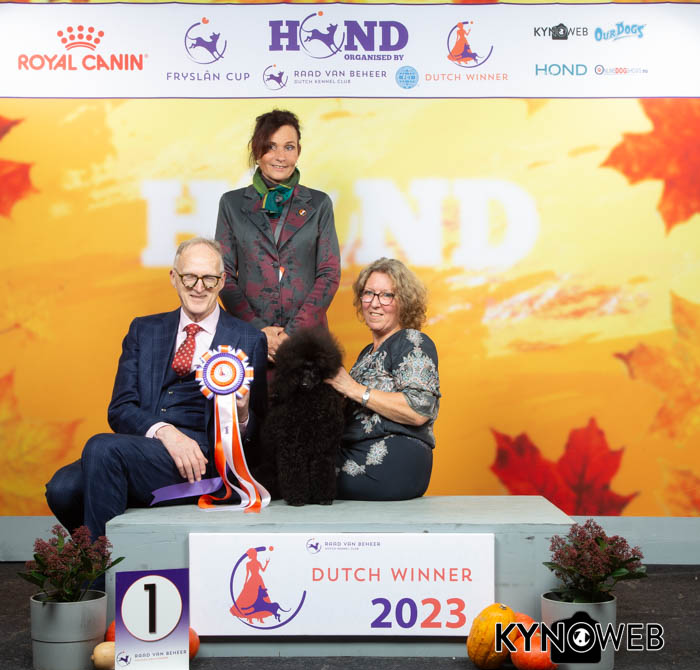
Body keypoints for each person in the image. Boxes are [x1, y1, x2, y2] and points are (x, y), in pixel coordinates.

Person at [45, 237, 268, 539]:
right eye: (189, 277)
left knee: (101, 447)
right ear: (174, 277)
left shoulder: (249, 338)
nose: (199, 287)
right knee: (62, 489)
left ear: (222, 281)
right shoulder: (143, 329)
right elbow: (120, 408)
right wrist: (165, 432)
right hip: (145, 448)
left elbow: (261, 431)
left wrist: (242, 415)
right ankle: (116, 551)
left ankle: (100, 566)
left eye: (209, 278)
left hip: (205, 462)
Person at [215, 109, 340, 363]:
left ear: (298, 151)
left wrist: (290, 334)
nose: (280, 157)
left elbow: (329, 274)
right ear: (256, 150)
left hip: (307, 342)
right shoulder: (232, 204)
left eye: (289, 147)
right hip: (249, 340)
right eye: (271, 147)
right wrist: (259, 330)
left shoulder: (319, 204)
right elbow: (223, 275)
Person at [326, 258, 440, 500]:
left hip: (394, 462)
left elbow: (418, 409)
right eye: (369, 293)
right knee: (292, 461)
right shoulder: (366, 353)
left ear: (404, 302)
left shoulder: (412, 341)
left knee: (300, 473)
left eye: (387, 295)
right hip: (353, 452)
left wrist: (353, 389)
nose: (375, 303)